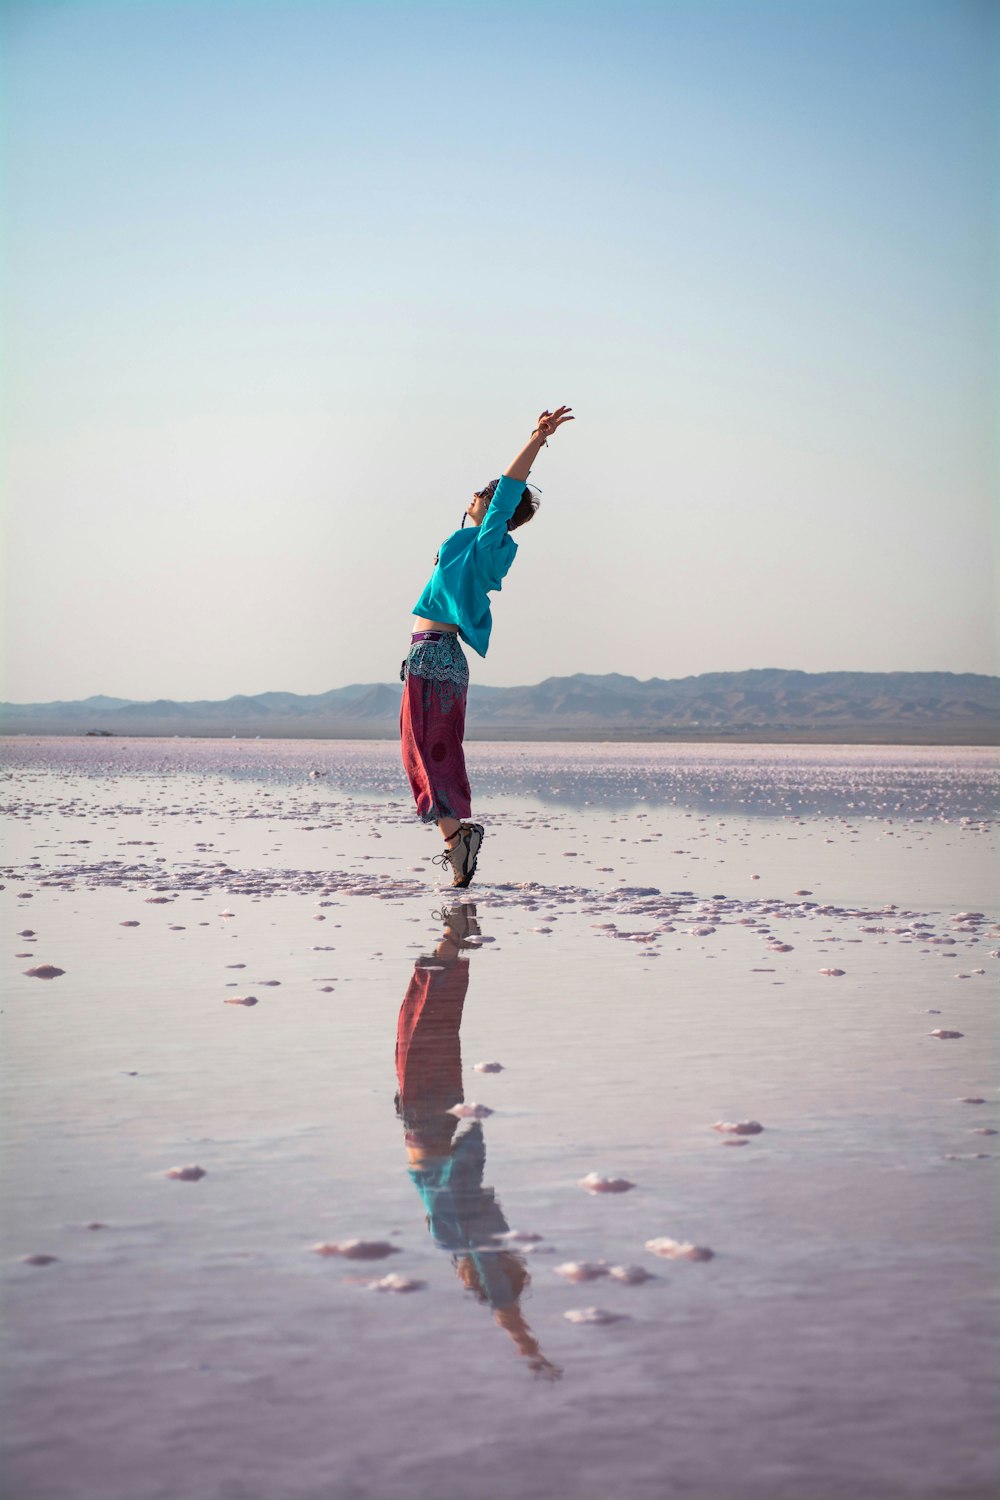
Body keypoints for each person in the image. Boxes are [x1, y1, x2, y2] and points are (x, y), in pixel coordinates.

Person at [400, 405, 574, 887]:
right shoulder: (476, 544)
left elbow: (508, 489)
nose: (473, 497)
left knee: (429, 753)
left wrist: (537, 438)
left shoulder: (485, 542)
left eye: (483, 494)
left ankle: (459, 843)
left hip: (434, 655)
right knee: (426, 752)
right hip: (435, 657)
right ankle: (458, 845)